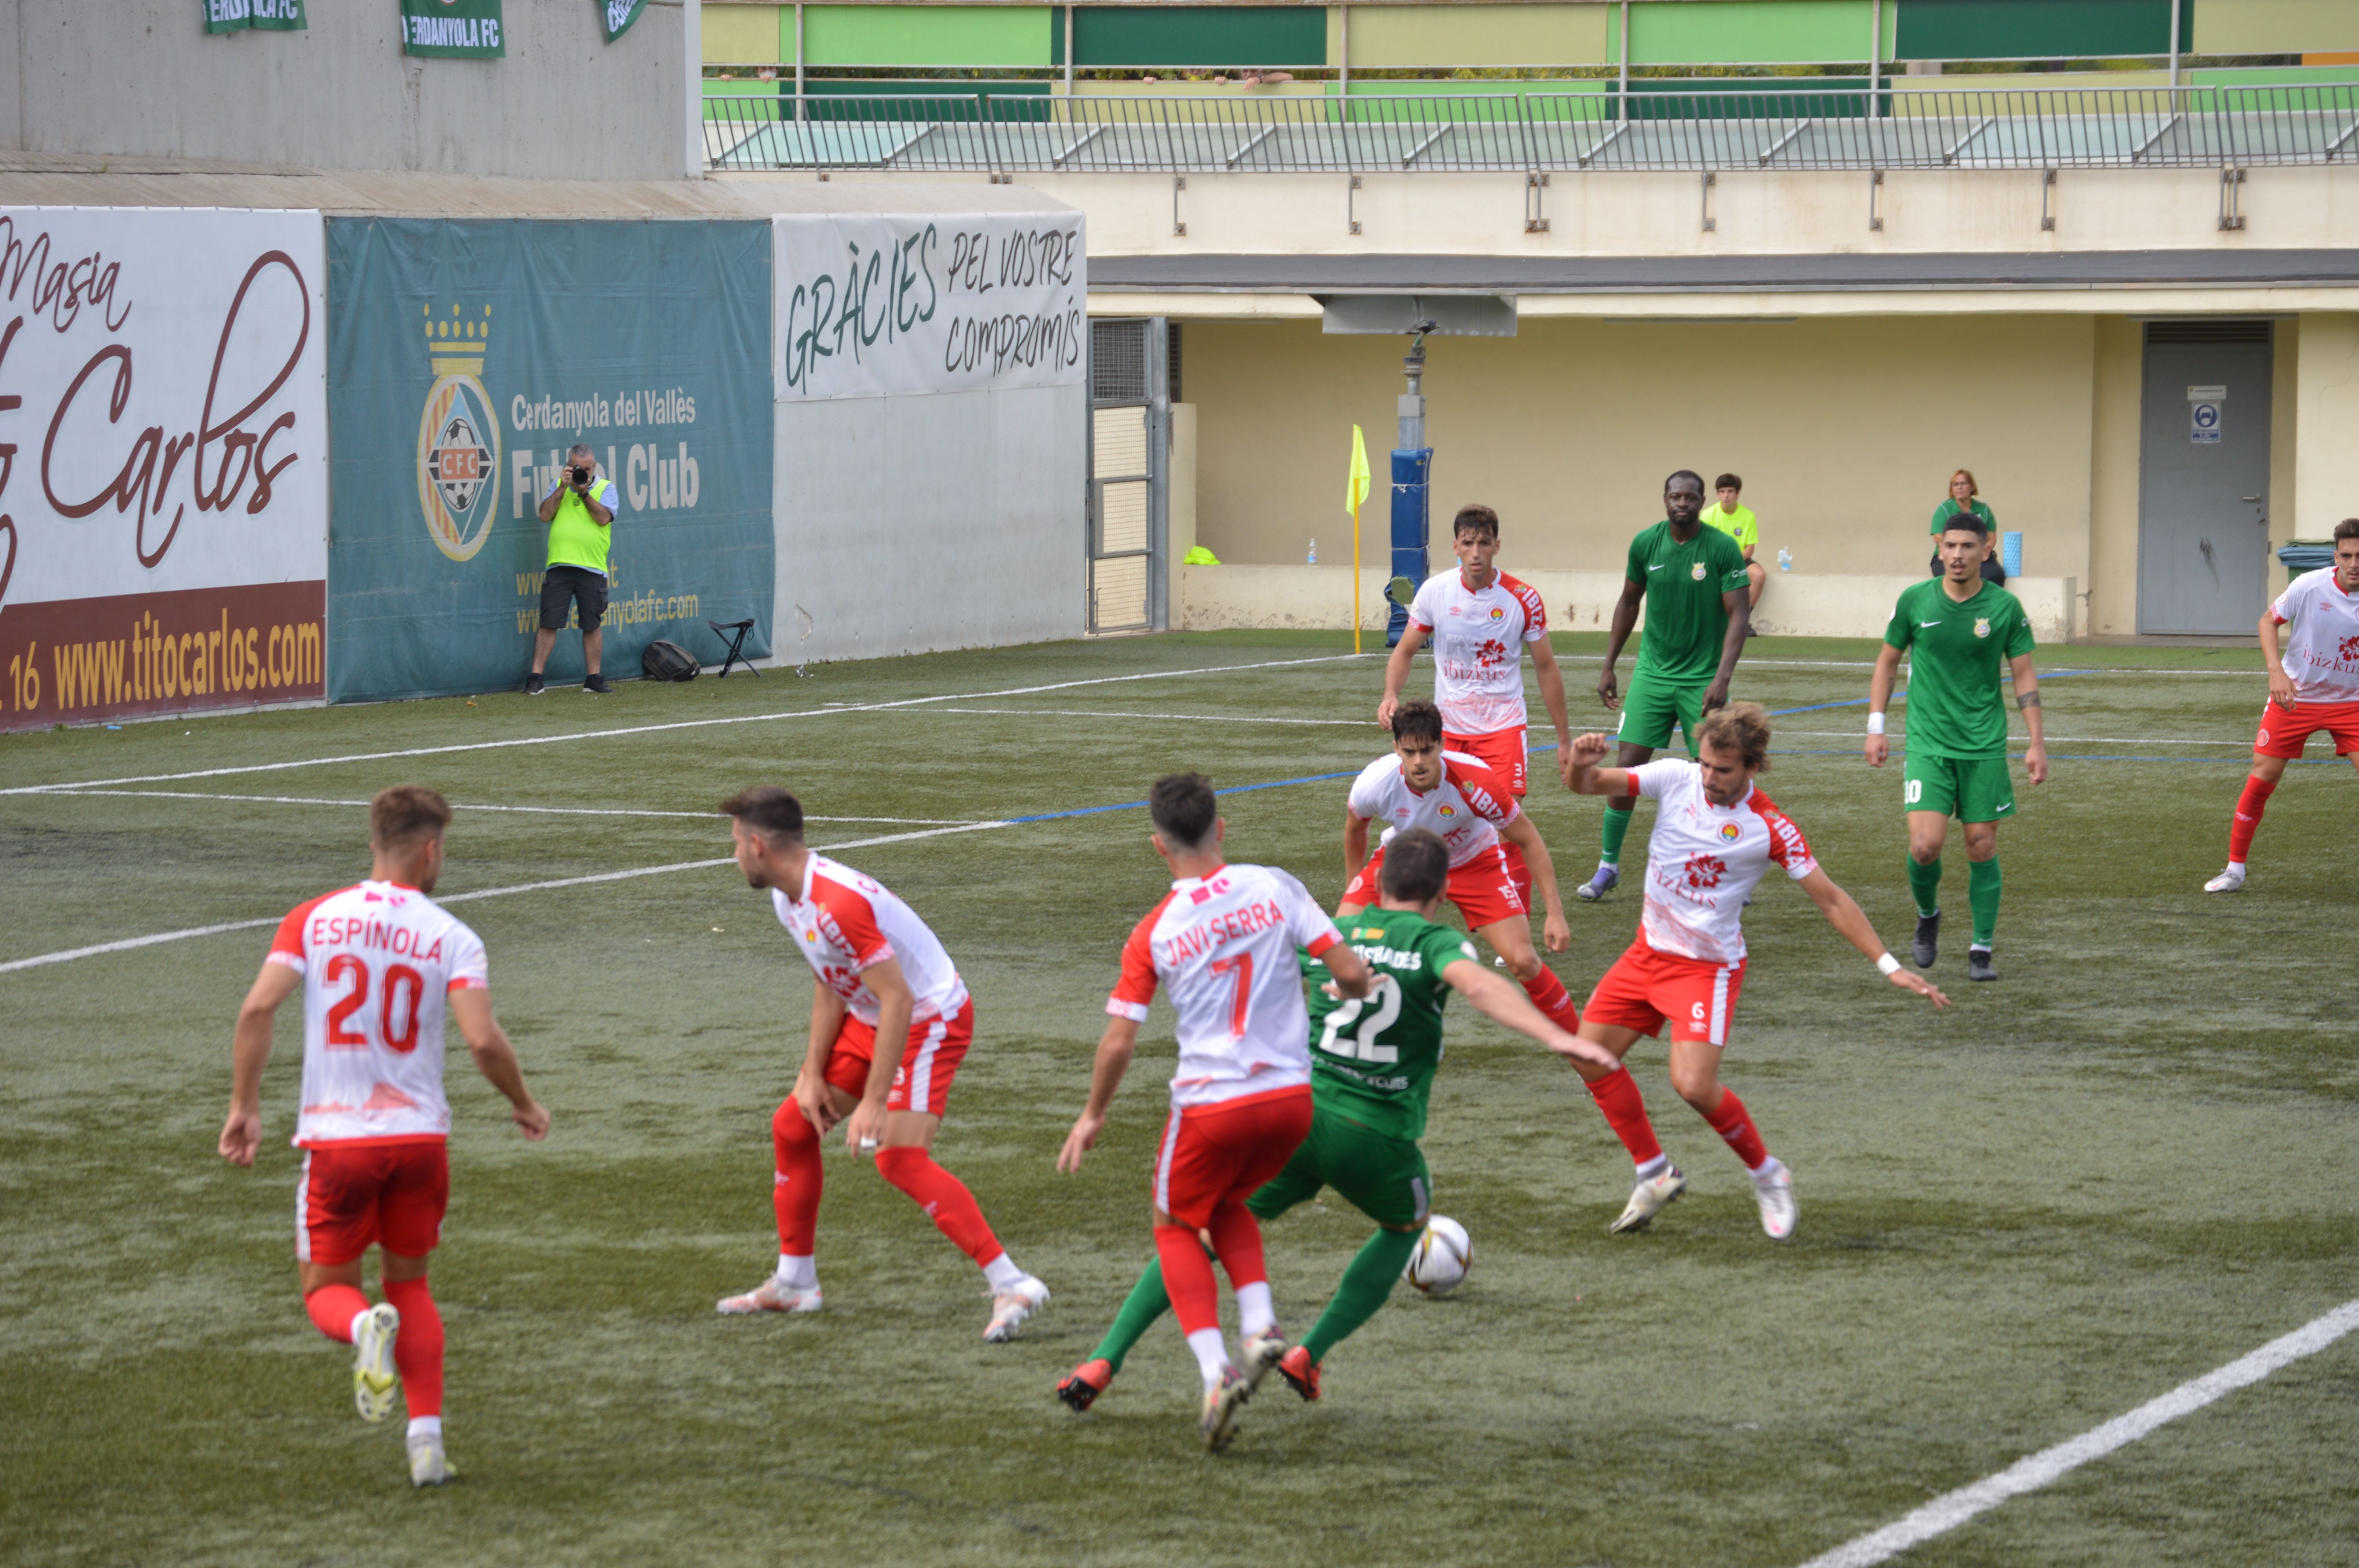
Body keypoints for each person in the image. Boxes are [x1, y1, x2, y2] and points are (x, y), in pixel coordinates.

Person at [1054, 829, 1619, 1414]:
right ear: (1445, 892)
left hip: (1298, 1125)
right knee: (1407, 1227)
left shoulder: (1339, 934)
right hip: (1377, 1137)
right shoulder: (1437, 943)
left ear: (1376, 884)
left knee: (1204, 1234)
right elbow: (1477, 987)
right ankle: (1309, 1353)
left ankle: (1105, 1358)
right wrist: (1557, 1035)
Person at [218, 784, 550, 1488]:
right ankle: (426, 1446)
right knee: (414, 1286)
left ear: (374, 842)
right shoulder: (452, 934)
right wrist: (522, 1102)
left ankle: (362, 1329)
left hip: (337, 1143)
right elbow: (483, 1039)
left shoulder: (312, 919)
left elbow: (257, 1008)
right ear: (430, 850)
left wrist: (245, 1105)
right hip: (419, 1143)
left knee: (327, 1291)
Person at [1056, 773, 1374, 1452]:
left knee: (1174, 1227)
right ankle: (1259, 1326)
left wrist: (1092, 1115)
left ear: (1157, 846)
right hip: (1290, 1104)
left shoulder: (1154, 932)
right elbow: (1346, 971)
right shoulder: (1274, 886)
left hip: (1211, 1105)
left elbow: (1120, 1038)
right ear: (1220, 829)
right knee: (1228, 1203)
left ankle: (1215, 1369)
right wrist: (1361, 984)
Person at [1563, 708, 1947, 1240]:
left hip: (1706, 970)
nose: (1710, 778)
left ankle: (1768, 1174)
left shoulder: (1771, 827)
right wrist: (1581, 765)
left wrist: (1890, 967)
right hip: (1646, 955)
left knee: (1693, 1085)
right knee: (1588, 1058)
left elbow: (1832, 900)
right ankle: (1653, 1171)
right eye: (1706, 765)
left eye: (1724, 769)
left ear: (1754, 767)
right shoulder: (1677, 778)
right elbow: (1588, 785)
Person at [714, 786, 1050, 1341]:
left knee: (898, 1157)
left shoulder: (836, 904)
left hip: (930, 1018)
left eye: (734, 845)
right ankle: (796, 1283)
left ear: (758, 846)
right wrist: (811, 1072)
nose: (733, 857)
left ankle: (1012, 1281)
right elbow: (832, 983)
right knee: (793, 1127)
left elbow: (899, 998)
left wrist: (873, 1102)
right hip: (876, 1015)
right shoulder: (788, 897)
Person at [1866, 511, 2047, 982]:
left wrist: (2036, 743)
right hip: (1928, 743)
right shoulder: (1913, 601)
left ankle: (1980, 949)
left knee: (1980, 845)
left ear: (1986, 550)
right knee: (1925, 847)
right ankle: (1928, 915)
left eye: (1968, 547)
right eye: (1950, 546)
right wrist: (1876, 726)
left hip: (1984, 745)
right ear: (1939, 550)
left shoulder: (2005, 608)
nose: (1957, 555)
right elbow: (1887, 664)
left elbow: (2023, 675)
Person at [1340, 701, 1581, 1033]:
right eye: (1409, 752)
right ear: (1396, 747)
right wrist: (1354, 887)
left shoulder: (1476, 781)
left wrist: (1555, 913)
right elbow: (1356, 831)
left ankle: (1584, 1051)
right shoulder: (1375, 782)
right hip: (1405, 857)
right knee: (1341, 945)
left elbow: (1529, 840)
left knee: (1524, 962)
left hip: (1474, 861)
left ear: (1442, 744)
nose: (1419, 762)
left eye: (1427, 750)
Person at [1376, 504, 1571, 891]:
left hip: (1502, 728)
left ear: (1497, 545)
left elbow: (1546, 668)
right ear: (1455, 546)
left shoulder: (1523, 599)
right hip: (1449, 732)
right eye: (1468, 543)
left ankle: (1514, 925)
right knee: (1431, 823)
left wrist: (1563, 739)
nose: (1476, 552)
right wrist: (1390, 694)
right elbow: (1405, 649)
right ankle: (1413, 902)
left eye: (1484, 543)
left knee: (1506, 826)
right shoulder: (1436, 592)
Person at [1582, 470, 1752, 903]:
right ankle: (1608, 866)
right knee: (1626, 767)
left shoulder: (1720, 547)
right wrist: (1608, 665)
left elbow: (1739, 614)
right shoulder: (1646, 544)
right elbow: (1628, 601)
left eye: (1690, 497)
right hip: (1653, 675)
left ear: (1701, 502)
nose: (1682, 503)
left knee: (1718, 773)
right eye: (1675, 496)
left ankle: (1729, 865)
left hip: (1702, 679)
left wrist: (1721, 678)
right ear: (1664, 500)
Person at [2203, 517, 2359, 893]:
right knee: (2264, 776)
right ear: (2335, 557)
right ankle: (2234, 870)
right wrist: (2276, 672)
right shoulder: (2309, 585)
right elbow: (2267, 622)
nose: (2355, 564)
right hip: (2296, 698)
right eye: (2348, 556)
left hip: (2352, 703)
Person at [528, 443, 620, 696]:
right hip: (559, 565)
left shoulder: (606, 488)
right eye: (579, 468)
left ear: (595, 467)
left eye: (588, 469)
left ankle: (593, 678)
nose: (584, 473)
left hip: (592, 568)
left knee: (592, 624)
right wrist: (563, 487)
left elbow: (603, 518)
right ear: (570, 465)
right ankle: (536, 679)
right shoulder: (559, 485)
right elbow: (545, 515)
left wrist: (584, 493)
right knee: (549, 622)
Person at [1699, 473, 1767, 615]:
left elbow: (1750, 549)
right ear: (1718, 494)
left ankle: (1743, 618)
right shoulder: (1707, 515)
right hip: (1714, 562)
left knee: (1759, 576)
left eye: (1730, 491)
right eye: (1722, 492)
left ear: (1738, 494)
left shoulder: (1748, 516)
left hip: (1740, 560)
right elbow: (1703, 546)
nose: (1726, 496)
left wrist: (1732, 561)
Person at [1929, 468, 2004, 584]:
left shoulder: (1984, 509)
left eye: (1964, 483)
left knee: (1996, 574)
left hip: (1978, 556)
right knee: (1958, 578)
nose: (1960, 487)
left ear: (1972, 487)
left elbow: (1991, 538)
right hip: (1948, 557)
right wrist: (1962, 548)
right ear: (1952, 489)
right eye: (1955, 485)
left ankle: (1986, 603)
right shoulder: (1944, 509)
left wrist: (1979, 552)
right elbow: (1938, 537)